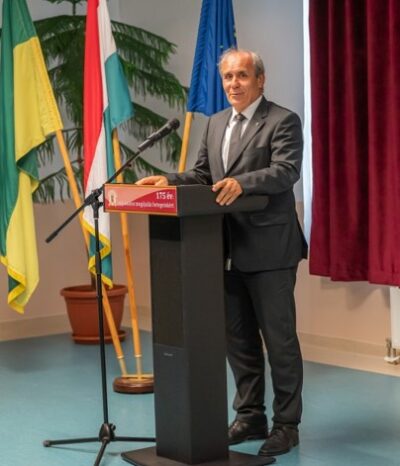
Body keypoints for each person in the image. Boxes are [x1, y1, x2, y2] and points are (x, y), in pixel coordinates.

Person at [137, 48, 307, 457]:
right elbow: (203, 175)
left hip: (270, 250)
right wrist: (168, 180)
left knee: (279, 342)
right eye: (228, 77)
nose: (234, 83)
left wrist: (243, 183)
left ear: (260, 80)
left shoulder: (282, 120)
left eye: (242, 76)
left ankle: (287, 425)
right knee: (240, 341)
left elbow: (286, 171)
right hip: (223, 248)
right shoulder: (215, 123)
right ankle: (250, 416)